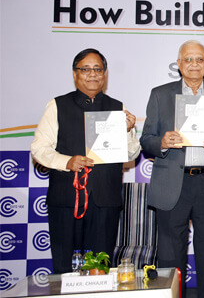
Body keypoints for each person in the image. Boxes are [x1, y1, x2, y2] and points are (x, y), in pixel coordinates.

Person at [30, 48, 140, 274]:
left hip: (105, 201)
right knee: (63, 268)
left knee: (101, 269)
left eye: (97, 69)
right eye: (85, 69)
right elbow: (39, 149)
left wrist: (128, 131)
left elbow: (130, 155)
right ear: (74, 74)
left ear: (105, 74)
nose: (92, 74)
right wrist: (67, 161)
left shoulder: (117, 107)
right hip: (67, 199)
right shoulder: (57, 105)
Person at [140, 40, 204, 298]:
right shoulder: (160, 94)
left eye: (200, 60)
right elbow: (146, 139)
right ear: (179, 64)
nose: (194, 64)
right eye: (188, 59)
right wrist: (160, 142)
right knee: (170, 256)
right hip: (172, 183)